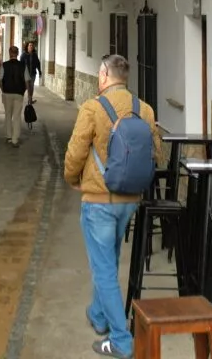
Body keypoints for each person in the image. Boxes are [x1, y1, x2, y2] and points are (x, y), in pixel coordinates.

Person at [64, 54, 162, 359]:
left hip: (99, 202)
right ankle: (98, 314)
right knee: (110, 258)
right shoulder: (143, 109)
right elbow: (157, 152)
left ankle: (121, 340)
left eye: (99, 74)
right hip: (129, 201)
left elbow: (76, 150)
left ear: (105, 75)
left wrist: (71, 178)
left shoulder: (92, 108)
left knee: (103, 268)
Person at [0, 45, 30, 147]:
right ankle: (15, 139)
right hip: (19, 94)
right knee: (16, 116)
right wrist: (26, 92)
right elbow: (27, 81)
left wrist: (3, 89)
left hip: (7, 93)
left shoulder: (4, 65)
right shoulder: (23, 66)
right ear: (17, 53)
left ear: (9, 53)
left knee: (8, 115)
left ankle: (8, 137)